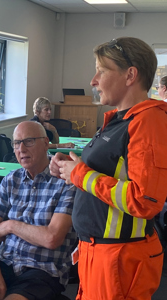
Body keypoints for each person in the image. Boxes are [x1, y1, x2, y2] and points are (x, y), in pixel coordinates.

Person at [50, 37, 167, 299]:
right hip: (98, 254)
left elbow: (145, 199)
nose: (93, 80)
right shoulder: (119, 120)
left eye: (101, 71)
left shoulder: (148, 121)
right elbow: (109, 177)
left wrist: (80, 174)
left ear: (130, 75)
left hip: (119, 260)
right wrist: (71, 173)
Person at [0, 121, 77, 300]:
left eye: (29, 141)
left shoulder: (66, 182)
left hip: (42, 271)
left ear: (46, 143)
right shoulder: (11, 180)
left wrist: (10, 226)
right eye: (16, 143)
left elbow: (51, 238)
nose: (21, 148)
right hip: (5, 263)